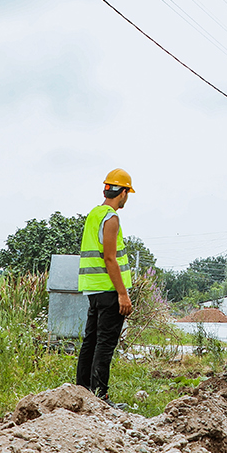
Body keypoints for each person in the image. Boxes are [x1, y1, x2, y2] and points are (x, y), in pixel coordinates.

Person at [76, 168, 135, 401]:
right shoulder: (111, 218)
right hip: (109, 291)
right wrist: (123, 294)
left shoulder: (94, 214)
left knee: (90, 341)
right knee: (105, 344)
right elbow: (110, 258)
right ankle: (100, 396)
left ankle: (81, 392)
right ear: (123, 193)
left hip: (93, 289)